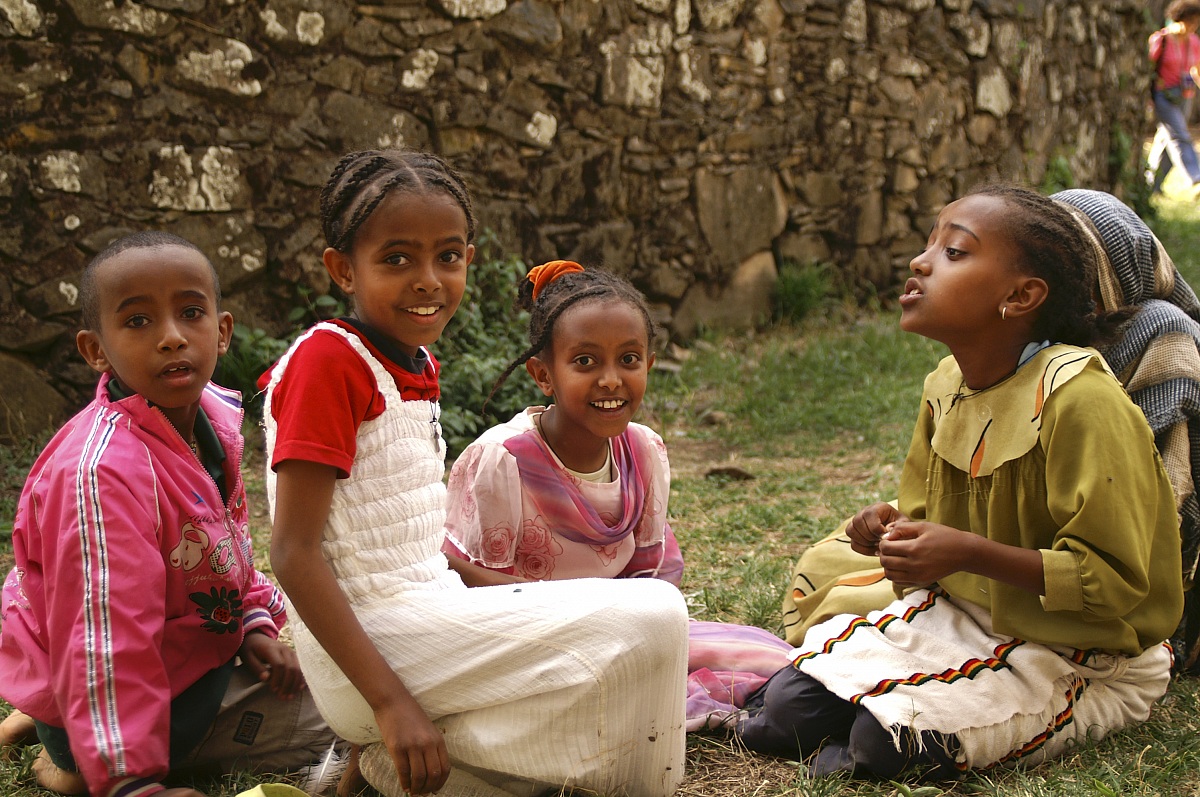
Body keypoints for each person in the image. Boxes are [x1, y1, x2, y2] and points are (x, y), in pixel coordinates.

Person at [261, 150, 689, 797]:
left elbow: (406, 544)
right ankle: (393, 752)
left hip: (425, 616)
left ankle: (400, 773)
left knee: (641, 645)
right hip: (368, 647)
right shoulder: (329, 361)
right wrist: (390, 705)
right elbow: (293, 553)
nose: (429, 279)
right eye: (397, 258)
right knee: (653, 617)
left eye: (449, 256)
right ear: (342, 268)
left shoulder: (414, 361)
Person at [740, 184, 1184, 779]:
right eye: (930, 245)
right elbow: (929, 522)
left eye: (955, 252)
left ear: (1021, 296)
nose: (921, 263)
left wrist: (970, 552)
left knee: (876, 748)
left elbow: (1114, 582)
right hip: (969, 616)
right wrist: (889, 532)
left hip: (1086, 651)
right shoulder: (946, 384)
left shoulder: (1080, 400)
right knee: (780, 714)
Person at [0, 232, 340, 797]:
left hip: (188, 657)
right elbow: (104, 639)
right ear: (96, 349)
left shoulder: (208, 417)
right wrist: (129, 782)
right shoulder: (100, 474)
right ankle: (70, 763)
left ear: (222, 330)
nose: (172, 338)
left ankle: (44, 726)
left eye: (190, 313)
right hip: (120, 704)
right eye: (138, 322)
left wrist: (252, 623)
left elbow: (224, 547)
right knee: (344, 715)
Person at [442, 261, 793, 730]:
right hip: (523, 642)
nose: (611, 380)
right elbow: (477, 594)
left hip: (620, 634)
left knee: (775, 661)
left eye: (628, 359)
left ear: (648, 364)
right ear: (543, 375)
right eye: (585, 361)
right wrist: (586, 623)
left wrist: (630, 632)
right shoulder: (502, 462)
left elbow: (652, 577)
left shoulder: (644, 452)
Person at [1147, 1, 1200, 196]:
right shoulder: (1162, 40)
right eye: (1190, 22)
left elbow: (1196, 69)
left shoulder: (1194, 42)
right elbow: (1148, 69)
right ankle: (1196, 177)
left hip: (1184, 95)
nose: (1193, 27)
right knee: (1180, 136)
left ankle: (1152, 185)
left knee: (1166, 140)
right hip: (1163, 96)